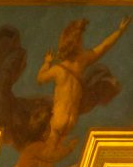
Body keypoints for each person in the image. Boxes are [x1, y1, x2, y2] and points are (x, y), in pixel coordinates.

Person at [37, 16, 131, 153]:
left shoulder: (68, 67)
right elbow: (104, 47)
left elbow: (40, 78)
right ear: (74, 43)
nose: (82, 42)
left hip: (63, 122)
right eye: (80, 40)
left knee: (51, 154)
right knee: (50, 154)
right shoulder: (71, 66)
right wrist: (120, 31)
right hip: (64, 122)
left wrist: (47, 62)